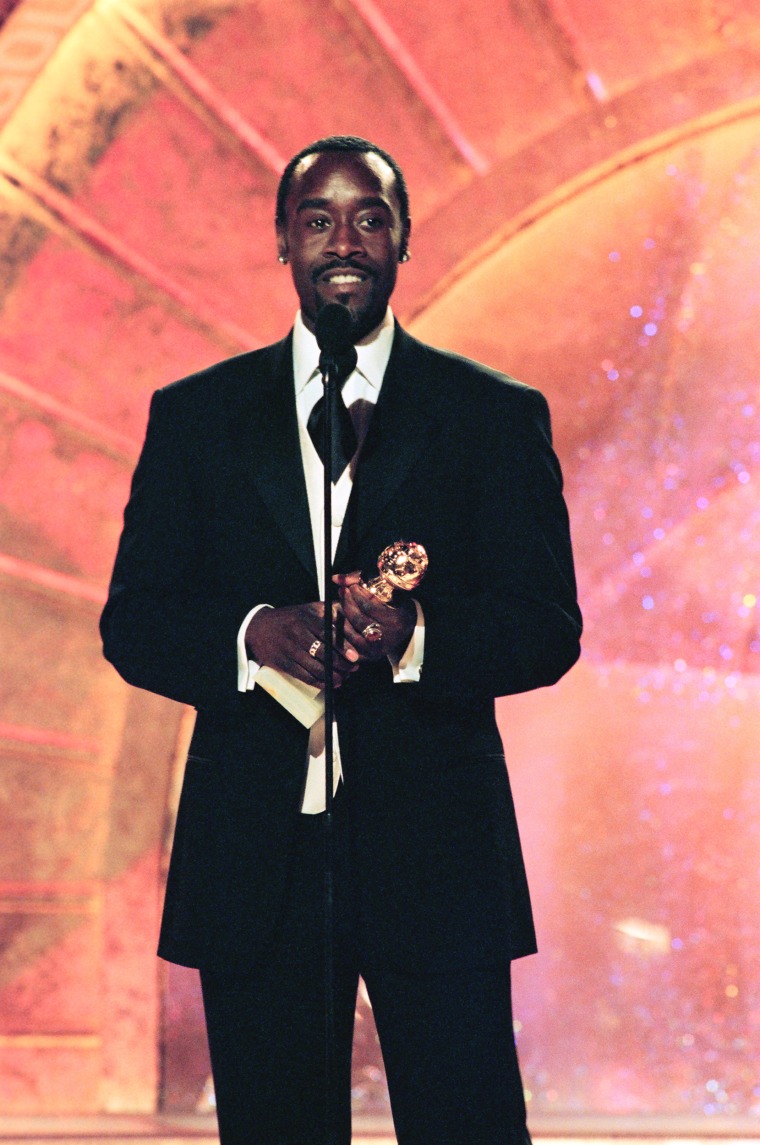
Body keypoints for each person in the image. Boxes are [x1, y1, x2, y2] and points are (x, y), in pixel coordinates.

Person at [100, 135, 582, 1145]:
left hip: (435, 853)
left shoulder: (489, 416)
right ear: (282, 241)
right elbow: (135, 619)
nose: (343, 239)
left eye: (369, 216)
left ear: (402, 238)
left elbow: (546, 626)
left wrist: (412, 640)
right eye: (317, 218)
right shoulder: (197, 417)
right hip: (258, 861)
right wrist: (253, 634)